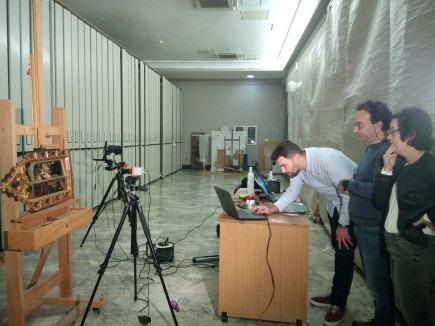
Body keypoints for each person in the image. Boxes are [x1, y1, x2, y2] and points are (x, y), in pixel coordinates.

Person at [252, 141, 357, 326]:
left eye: (284, 165)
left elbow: (348, 195)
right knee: (340, 254)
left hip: (354, 209)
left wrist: (343, 225)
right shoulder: (299, 169)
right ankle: (335, 295)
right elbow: (293, 191)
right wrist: (273, 208)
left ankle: (339, 304)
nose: (283, 171)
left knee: (344, 255)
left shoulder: (328, 160)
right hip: (337, 207)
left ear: (297, 157)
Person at [372, 107, 435, 326]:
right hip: (395, 245)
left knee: (415, 312)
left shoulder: (429, 166)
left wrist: (427, 219)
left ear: (411, 133)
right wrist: (386, 170)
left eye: (393, 131)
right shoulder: (402, 166)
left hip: (413, 248)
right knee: (407, 306)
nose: (389, 137)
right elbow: (379, 202)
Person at [340, 101, 395, 326]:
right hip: (362, 225)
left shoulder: (385, 151)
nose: (355, 130)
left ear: (378, 124)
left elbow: (378, 190)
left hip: (372, 228)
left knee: (378, 282)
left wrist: (349, 185)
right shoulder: (371, 148)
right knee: (375, 282)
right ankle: (379, 319)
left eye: (359, 125)